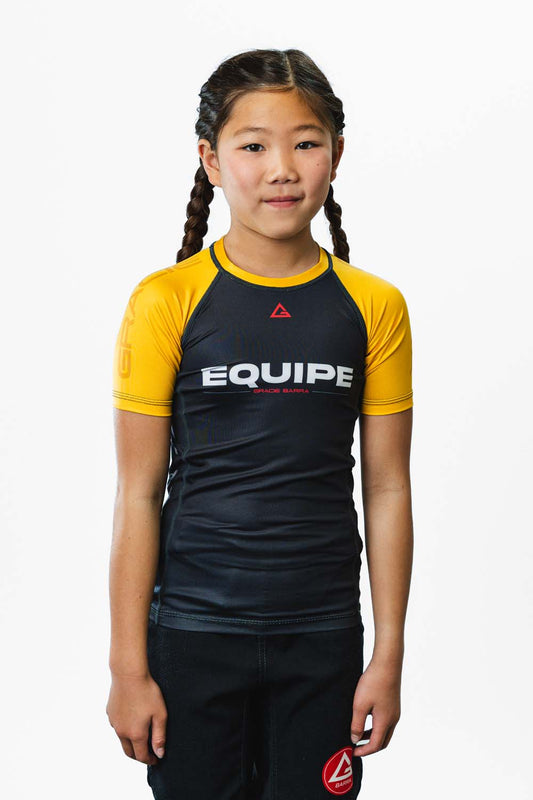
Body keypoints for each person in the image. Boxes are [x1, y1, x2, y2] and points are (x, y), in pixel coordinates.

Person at [106, 47, 414, 800]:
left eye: (305, 144)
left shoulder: (374, 306)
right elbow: (138, 493)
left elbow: (387, 489)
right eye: (252, 147)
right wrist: (127, 668)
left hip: (323, 637)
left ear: (336, 154)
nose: (282, 169)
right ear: (211, 160)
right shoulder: (165, 301)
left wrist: (387, 658)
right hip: (192, 634)